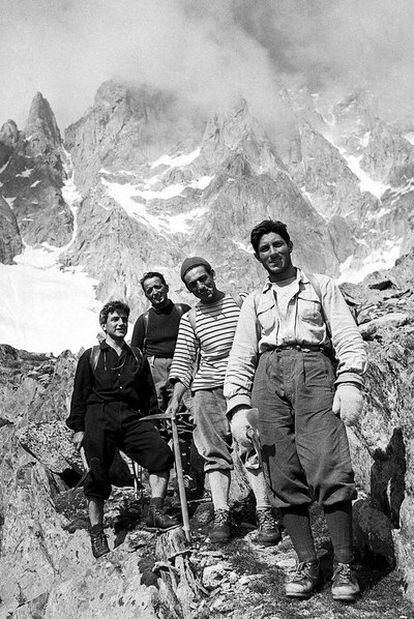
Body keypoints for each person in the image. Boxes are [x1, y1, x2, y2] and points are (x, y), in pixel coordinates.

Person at [224, 219, 367, 602]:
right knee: (281, 471)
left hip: (314, 370)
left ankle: (344, 565)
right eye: (264, 249)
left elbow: (346, 334)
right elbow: (240, 355)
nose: (272, 253)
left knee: (327, 463)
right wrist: (238, 405)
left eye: (277, 245)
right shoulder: (254, 301)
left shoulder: (321, 286)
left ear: (290, 245)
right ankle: (307, 563)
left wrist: (349, 379)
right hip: (267, 379)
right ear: (258, 258)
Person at [166, 256, 280, 545]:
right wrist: (176, 398)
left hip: (242, 384)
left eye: (204, 278)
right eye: (193, 284)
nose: (201, 286)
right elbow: (182, 361)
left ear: (213, 274)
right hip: (206, 391)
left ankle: (265, 512)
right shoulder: (189, 318)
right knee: (214, 454)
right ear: (188, 290)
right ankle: (222, 513)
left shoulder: (240, 303)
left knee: (250, 443)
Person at [67, 300, 178, 559]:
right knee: (96, 477)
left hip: (130, 418)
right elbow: (79, 395)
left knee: (161, 454)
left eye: (123, 320)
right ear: (104, 324)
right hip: (98, 418)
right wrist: (78, 429)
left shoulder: (137, 356)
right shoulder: (91, 356)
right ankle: (97, 533)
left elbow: (148, 394)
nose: (120, 323)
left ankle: (155, 511)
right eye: (115, 319)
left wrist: (155, 423)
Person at [131, 272, 190, 410]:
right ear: (146, 295)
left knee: (186, 407)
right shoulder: (143, 320)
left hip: (183, 365)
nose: (155, 292)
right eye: (149, 290)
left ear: (167, 287)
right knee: (158, 407)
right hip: (155, 370)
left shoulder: (183, 311)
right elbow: (135, 354)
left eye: (157, 287)